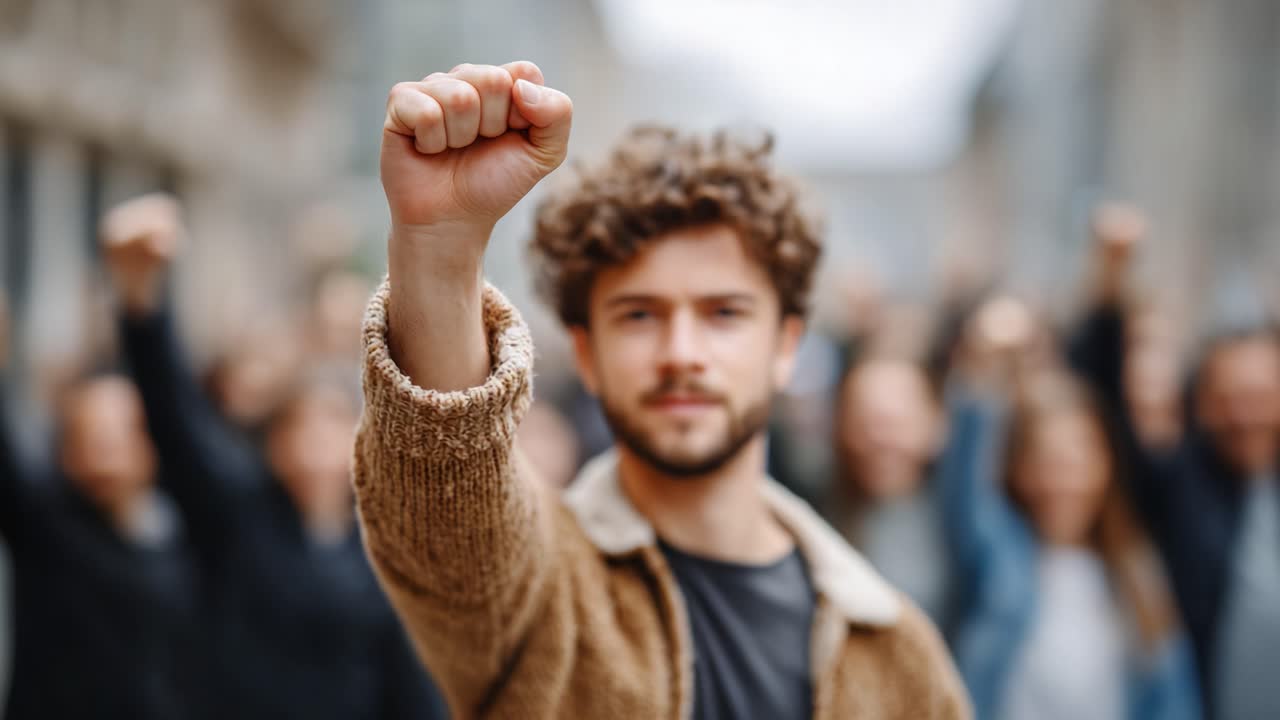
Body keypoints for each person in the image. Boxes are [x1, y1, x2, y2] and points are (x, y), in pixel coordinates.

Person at [353, 60, 968, 718]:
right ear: (585, 354)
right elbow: (449, 517)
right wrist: (438, 248)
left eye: (724, 313)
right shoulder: (537, 587)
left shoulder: (895, 649)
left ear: (787, 346)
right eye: (639, 315)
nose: (681, 354)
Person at [102, 193, 449, 720]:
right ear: (274, 442)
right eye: (299, 430)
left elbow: (407, 681)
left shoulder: (388, 545)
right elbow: (176, 419)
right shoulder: (237, 513)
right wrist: (142, 302)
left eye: (332, 430)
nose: (314, 450)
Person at [1070, 203, 1280, 719]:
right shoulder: (1181, 482)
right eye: (1228, 398)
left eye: (1259, 396)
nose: (1244, 414)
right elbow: (1104, 408)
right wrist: (1111, 278)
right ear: (1202, 402)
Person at [943, 367, 1201, 720]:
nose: (1062, 480)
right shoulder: (1000, 559)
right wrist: (983, 377)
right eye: (1044, 460)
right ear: (1016, 469)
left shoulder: (1136, 572)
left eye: (1077, 459)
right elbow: (966, 491)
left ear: (1106, 462)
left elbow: (1172, 694)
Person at [0, 295, 202, 719]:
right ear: (65, 451)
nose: (106, 452)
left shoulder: (186, 531)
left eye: (121, 434)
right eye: (90, 436)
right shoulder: (45, 524)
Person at [830, 356, 957, 632]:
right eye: (864, 422)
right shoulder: (820, 519)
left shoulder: (962, 526)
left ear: (936, 424)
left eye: (893, 423)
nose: (879, 439)